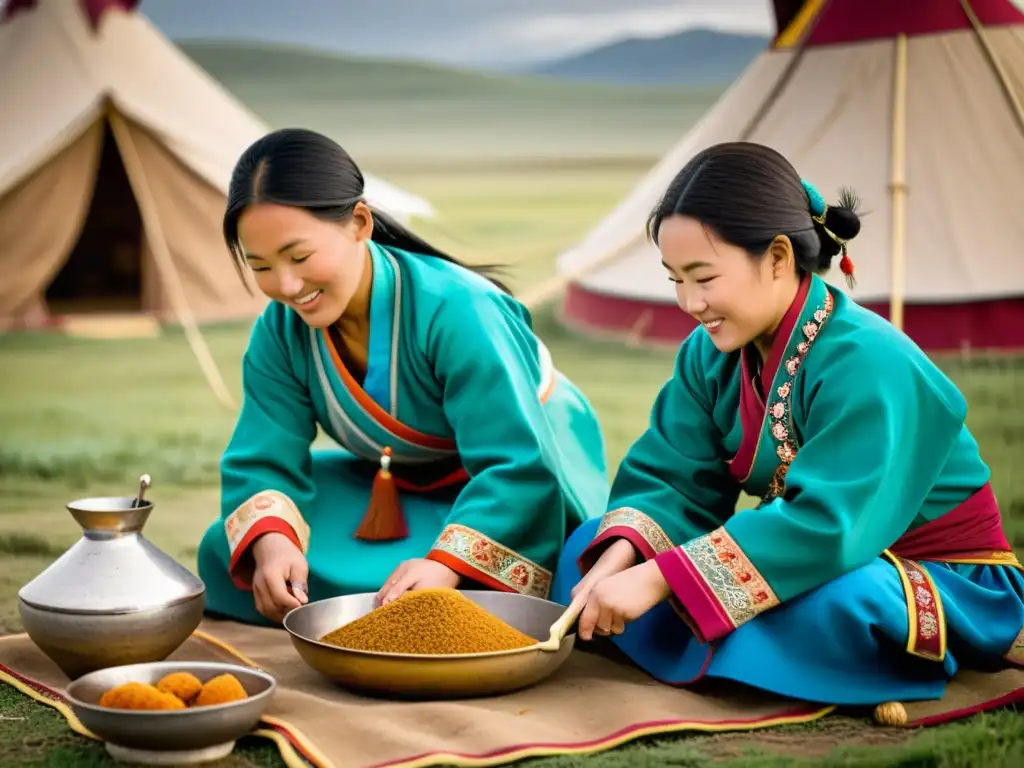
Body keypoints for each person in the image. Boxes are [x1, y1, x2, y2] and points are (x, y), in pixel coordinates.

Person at [552, 141, 1024, 709]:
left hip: (928, 576)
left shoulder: (873, 361)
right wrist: (623, 558)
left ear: (777, 257)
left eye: (703, 277)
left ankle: (701, 632)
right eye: (674, 279)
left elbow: (829, 524)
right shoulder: (707, 354)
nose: (689, 302)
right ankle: (730, 642)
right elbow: (674, 479)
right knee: (587, 545)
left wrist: (661, 580)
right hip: (806, 555)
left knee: (841, 602)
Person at [196, 127, 610, 626]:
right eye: (260, 266)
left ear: (359, 224)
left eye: (300, 257)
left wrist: (445, 564)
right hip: (396, 484)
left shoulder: (461, 310)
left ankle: (440, 581)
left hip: (524, 479)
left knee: (536, 575)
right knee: (234, 545)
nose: (286, 285)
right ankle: (404, 588)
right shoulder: (280, 331)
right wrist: (272, 541)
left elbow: (516, 464)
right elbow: (264, 455)